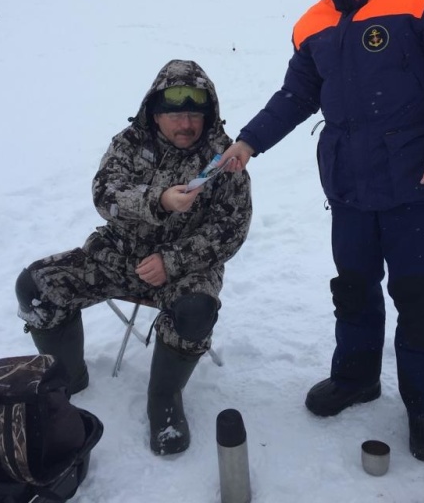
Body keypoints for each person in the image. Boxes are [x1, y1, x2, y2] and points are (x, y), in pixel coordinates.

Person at [220, 0, 424, 462]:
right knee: (353, 285)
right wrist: (249, 141)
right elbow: (297, 95)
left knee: (417, 296)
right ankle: (355, 378)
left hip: (417, 178)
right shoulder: (314, 21)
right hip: (348, 182)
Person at [15, 59, 252, 456]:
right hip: (118, 255)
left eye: (195, 113)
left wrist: (172, 261)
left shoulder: (224, 159)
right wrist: (158, 199)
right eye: (174, 114)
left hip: (186, 269)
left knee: (195, 311)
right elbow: (104, 193)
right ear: (154, 114)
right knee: (38, 285)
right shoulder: (130, 142)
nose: (186, 124)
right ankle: (67, 381)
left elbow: (231, 229)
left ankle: (164, 397)